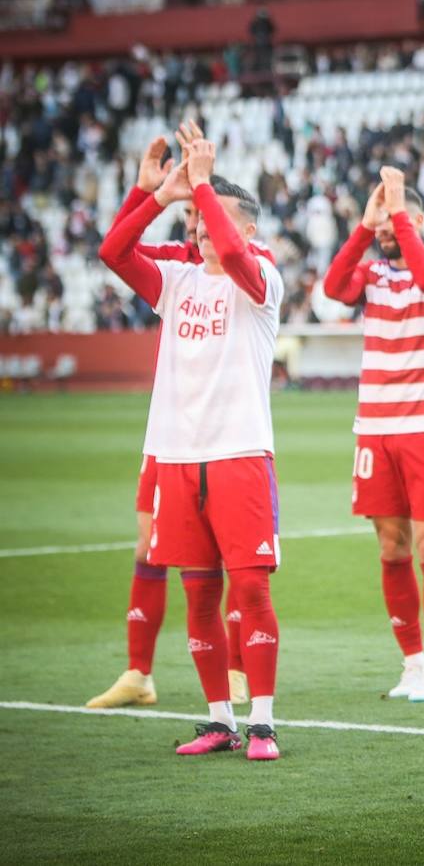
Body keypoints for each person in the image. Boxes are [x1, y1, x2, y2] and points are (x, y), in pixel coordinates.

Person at [98, 138, 286, 759]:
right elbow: (112, 250)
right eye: (197, 219)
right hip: (178, 459)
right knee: (199, 594)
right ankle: (219, 721)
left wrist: (202, 185)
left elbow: (231, 254)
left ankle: (263, 723)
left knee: (251, 592)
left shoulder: (263, 279)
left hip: (240, 455)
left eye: (213, 216)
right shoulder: (175, 280)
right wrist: (159, 195)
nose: (202, 225)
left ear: (249, 228)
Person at [322, 167, 424, 703]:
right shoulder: (373, 274)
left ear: (416, 219)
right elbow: (333, 288)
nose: (385, 225)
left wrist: (398, 211)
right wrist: (365, 225)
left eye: (393, 216)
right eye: (381, 217)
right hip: (375, 427)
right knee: (391, 546)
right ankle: (411, 663)